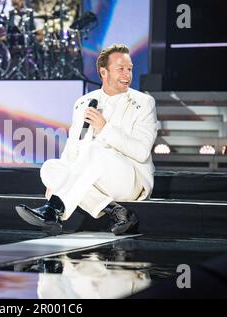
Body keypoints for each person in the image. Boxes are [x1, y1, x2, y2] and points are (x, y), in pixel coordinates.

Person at [15, 44, 158, 235]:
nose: (127, 74)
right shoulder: (84, 102)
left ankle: (54, 208)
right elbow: (73, 148)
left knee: (95, 151)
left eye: (129, 69)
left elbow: (141, 152)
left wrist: (105, 128)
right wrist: (59, 182)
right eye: (121, 69)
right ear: (103, 72)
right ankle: (116, 211)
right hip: (90, 177)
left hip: (128, 179)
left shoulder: (143, 103)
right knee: (50, 168)